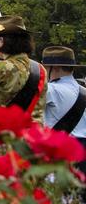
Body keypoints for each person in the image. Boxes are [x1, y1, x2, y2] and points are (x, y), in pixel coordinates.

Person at [40, 46, 86, 176]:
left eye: (45, 67)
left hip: (64, 151)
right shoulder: (82, 90)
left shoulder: (51, 90)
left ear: (54, 68)